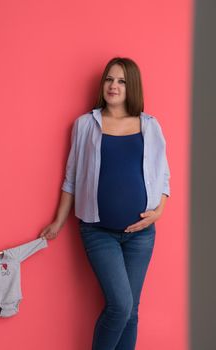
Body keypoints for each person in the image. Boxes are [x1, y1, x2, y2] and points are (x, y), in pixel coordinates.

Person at [40, 57, 170, 350]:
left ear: (132, 86)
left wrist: (158, 212)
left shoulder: (150, 126)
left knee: (132, 312)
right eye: (109, 79)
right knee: (120, 306)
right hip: (98, 232)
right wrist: (58, 221)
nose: (114, 86)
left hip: (141, 234)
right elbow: (71, 177)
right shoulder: (86, 124)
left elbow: (164, 176)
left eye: (122, 81)